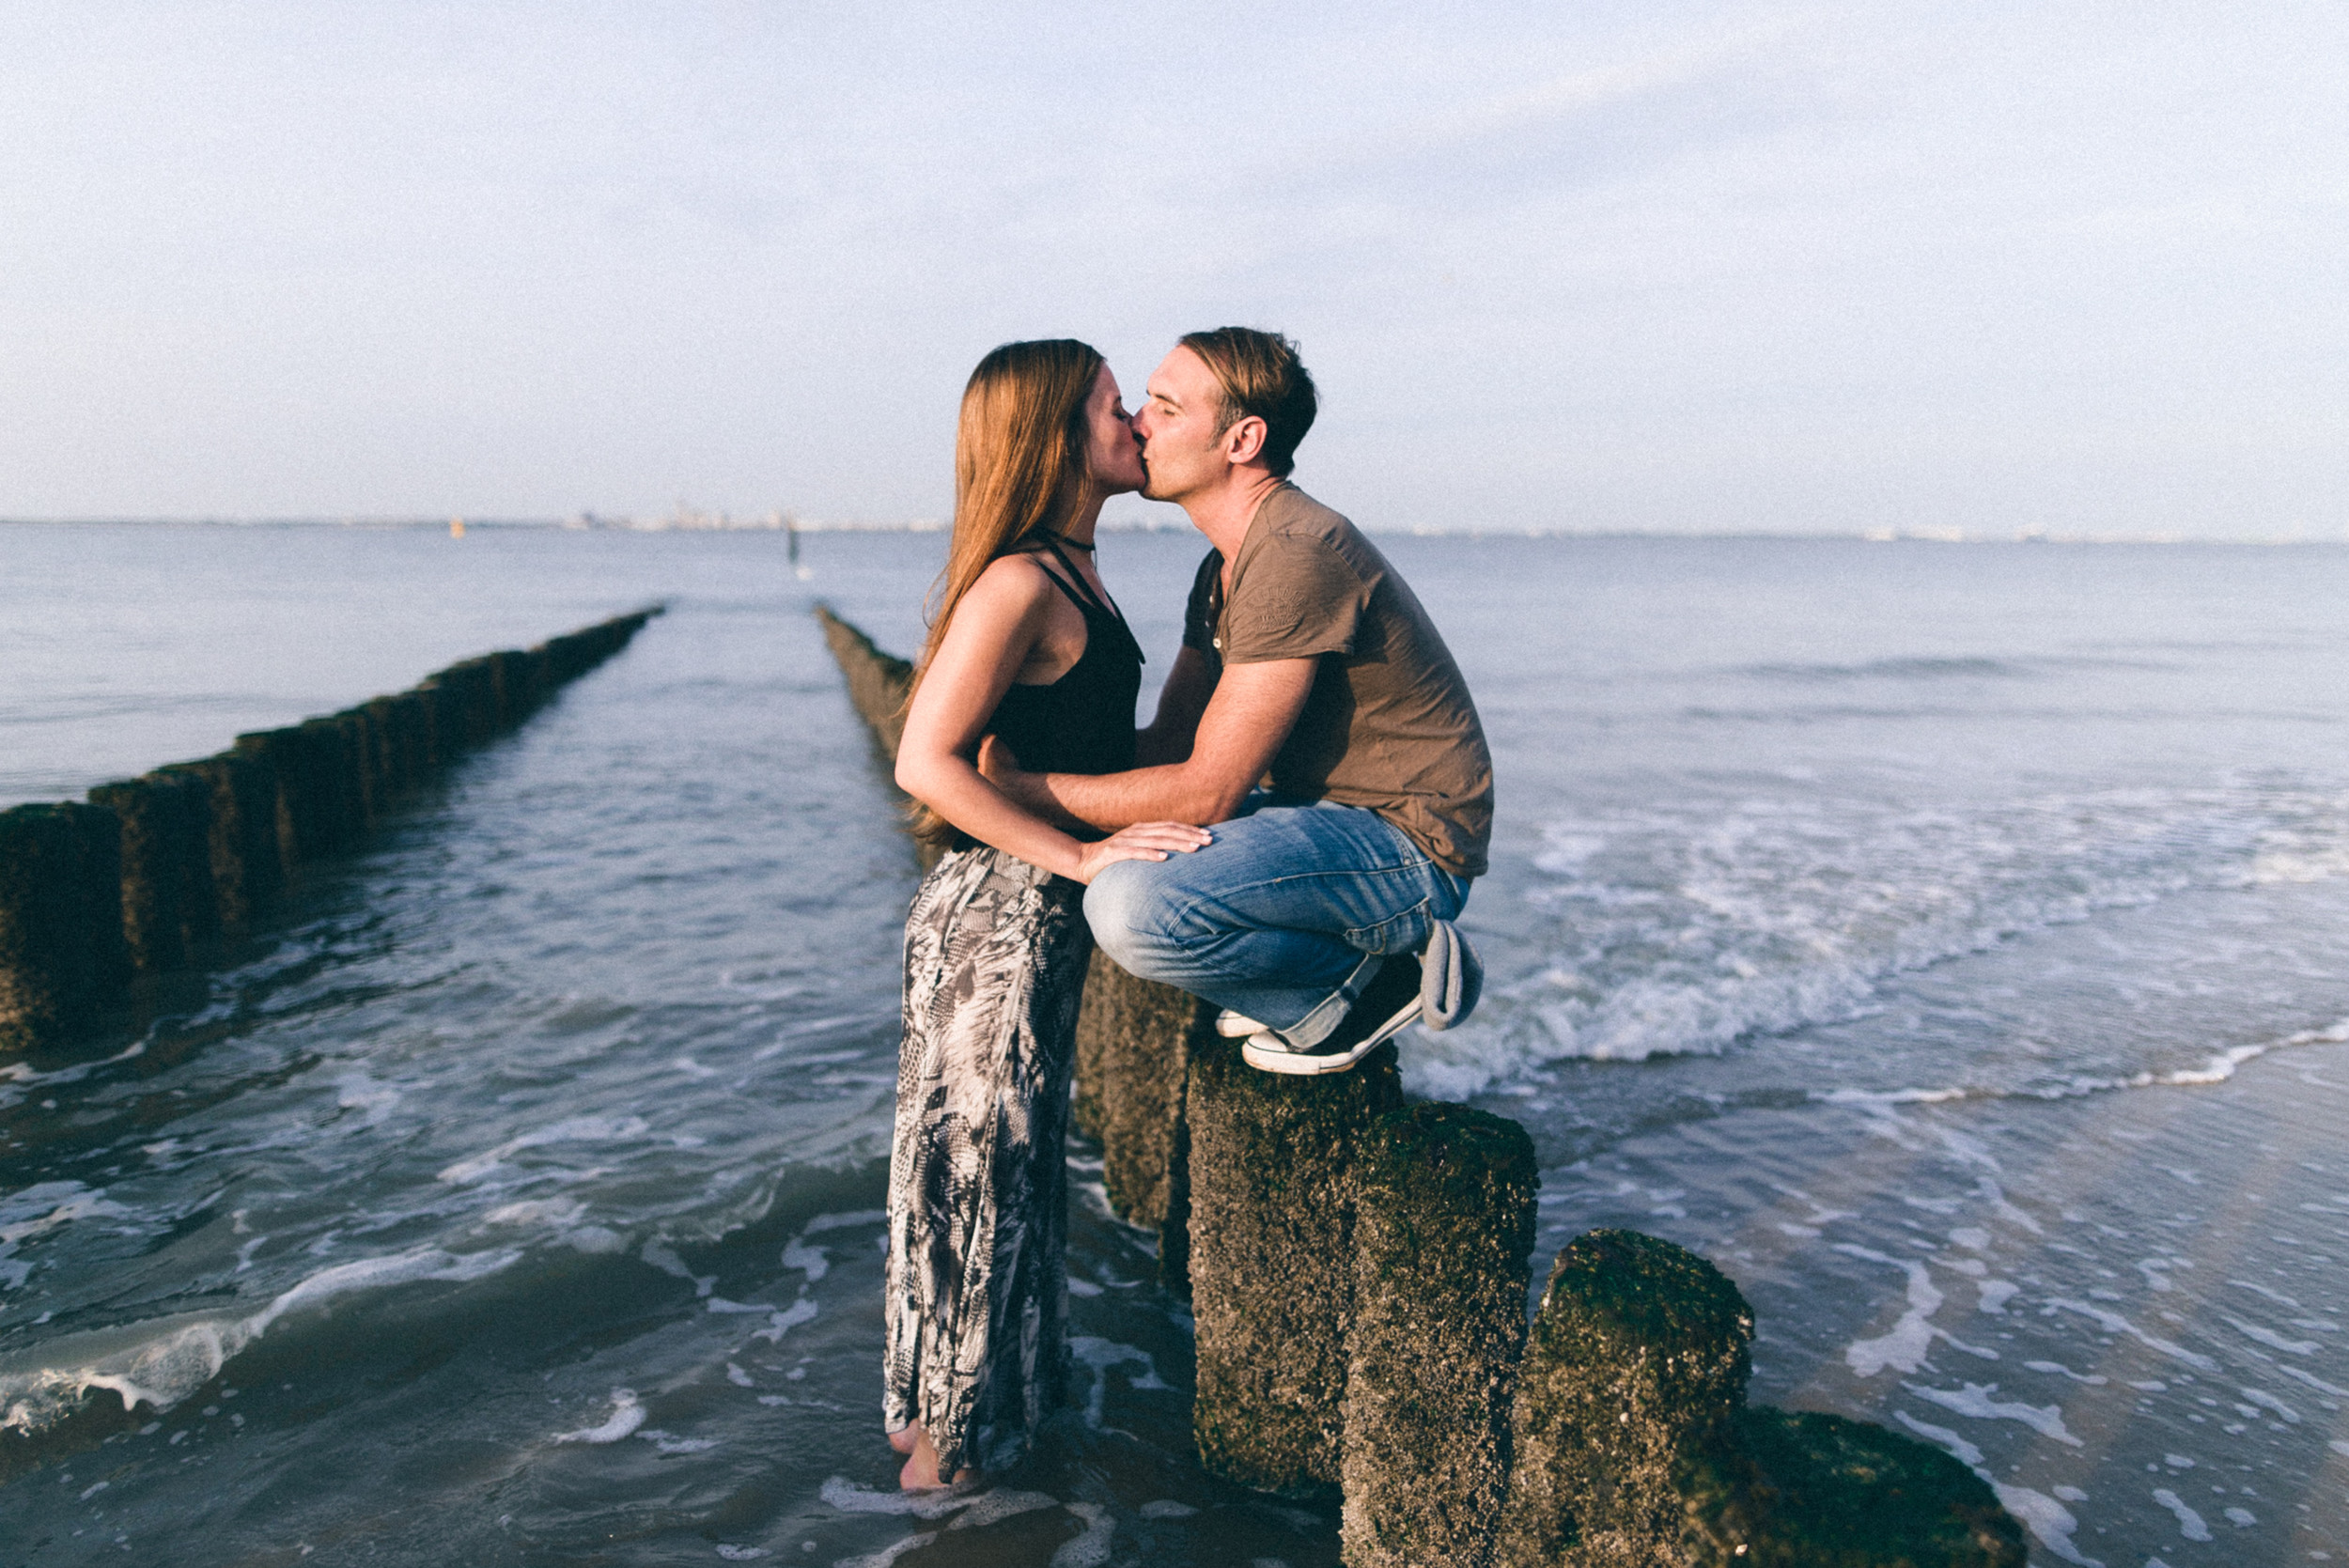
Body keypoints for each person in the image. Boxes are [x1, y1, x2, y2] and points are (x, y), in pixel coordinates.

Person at [980, 327, 1492, 1075]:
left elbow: (1210, 791)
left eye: (1165, 407)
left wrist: (1023, 791)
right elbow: (1170, 748)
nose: (1137, 423)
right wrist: (1022, 758)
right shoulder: (1224, 567)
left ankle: (1358, 987)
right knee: (1111, 864)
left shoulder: (1292, 555)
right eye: (1139, 404)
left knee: (1129, 906)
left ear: (1241, 439)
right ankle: (1325, 978)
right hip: (1319, 822)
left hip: (1409, 849)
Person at [881, 339, 1210, 1490]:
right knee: (982, 1187)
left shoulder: (1077, 576)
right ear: (1055, 439)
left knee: (994, 1188)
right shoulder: (1021, 580)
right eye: (1118, 408)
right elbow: (928, 757)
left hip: (1025, 923)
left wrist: (1207, 648)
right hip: (994, 926)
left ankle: (967, 1459)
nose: (1139, 424)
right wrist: (1080, 853)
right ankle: (946, 1482)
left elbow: (1127, 758)